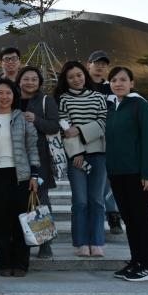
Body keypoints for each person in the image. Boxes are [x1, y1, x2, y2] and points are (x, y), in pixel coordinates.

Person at [0, 78, 41, 277]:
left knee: (22, 221)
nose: (4, 96)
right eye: (0, 93)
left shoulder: (22, 117)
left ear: (14, 96)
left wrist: (35, 174)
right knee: (0, 222)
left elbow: (32, 147)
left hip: (21, 175)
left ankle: (21, 263)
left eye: (8, 93)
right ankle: (4, 262)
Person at [105, 66, 148, 282]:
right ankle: (136, 261)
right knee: (130, 219)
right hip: (117, 174)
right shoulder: (113, 108)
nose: (118, 84)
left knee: (142, 219)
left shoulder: (140, 106)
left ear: (132, 83)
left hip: (137, 174)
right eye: (114, 80)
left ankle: (147, 266)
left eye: (123, 80)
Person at [54, 60, 108, 257]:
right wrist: (76, 153)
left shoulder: (99, 97)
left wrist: (80, 129)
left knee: (97, 200)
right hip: (75, 156)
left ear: (85, 74)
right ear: (65, 80)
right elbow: (65, 130)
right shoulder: (63, 99)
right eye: (71, 77)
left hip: (99, 154)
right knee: (80, 201)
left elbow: (104, 122)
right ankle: (81, 242)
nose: (76, 79)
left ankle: (97, 241)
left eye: (79, 75)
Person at [17, 65, 60, 259]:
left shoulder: (46, 100)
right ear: (19, 81)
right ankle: (21, 242)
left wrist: (36, 119)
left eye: (34, 79)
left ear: (39, 82)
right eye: (26, 79)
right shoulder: (12, 98)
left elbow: (54, 126)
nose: (30, 82)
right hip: (16, 157)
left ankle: (45, 244)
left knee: (41, 200)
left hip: (40, 157)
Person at [88, 50, 124, 235]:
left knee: (109, 180)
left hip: (108, 142)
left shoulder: (112, 88)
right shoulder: (80, 86)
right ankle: (92, 218)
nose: (100, 67)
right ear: (89, 64)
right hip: (85, 142)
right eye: (96, 63)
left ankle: (113, 215)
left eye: (103, 64)